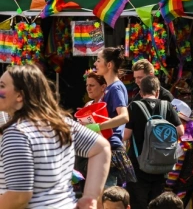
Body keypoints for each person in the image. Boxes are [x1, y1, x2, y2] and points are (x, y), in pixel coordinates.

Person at [0, 64, 111, 209]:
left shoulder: (17, 133)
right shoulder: (62, 124)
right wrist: (90, 197)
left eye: (2, 86)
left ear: (20, 95)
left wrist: (90, 197)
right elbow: (101, 147)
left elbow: (19, 196)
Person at [124, 75, 184, 209]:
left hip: (138, 164)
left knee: (138, 203)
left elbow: (126, 135)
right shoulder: (167, 106)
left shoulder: (134, 106)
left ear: (140, 92)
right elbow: (181, 131)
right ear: (157, 92)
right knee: (157, 204)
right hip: (161, 164)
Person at [95, 47, 135, 187]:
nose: (95, 64)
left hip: (112, 148)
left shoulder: (116, 88)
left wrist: (97, 126)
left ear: (109, 65)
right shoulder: (109, 87)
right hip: (106, 146)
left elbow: (124, 117)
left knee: (108, 197)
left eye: (98, 60)